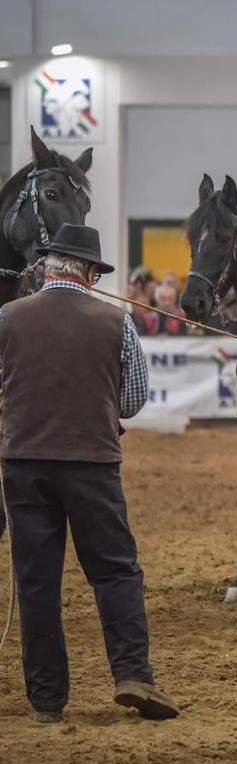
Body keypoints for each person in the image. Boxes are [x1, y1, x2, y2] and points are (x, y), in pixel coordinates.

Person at [0, 224, 180, 723]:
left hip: (24, 463)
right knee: (115, 570)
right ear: (90, 272)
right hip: (93, 464)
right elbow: (132, 399)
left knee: (37, 581)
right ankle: (133, 674)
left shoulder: (7, 317)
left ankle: (47, 698)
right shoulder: (116, 321)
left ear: (49, 267)